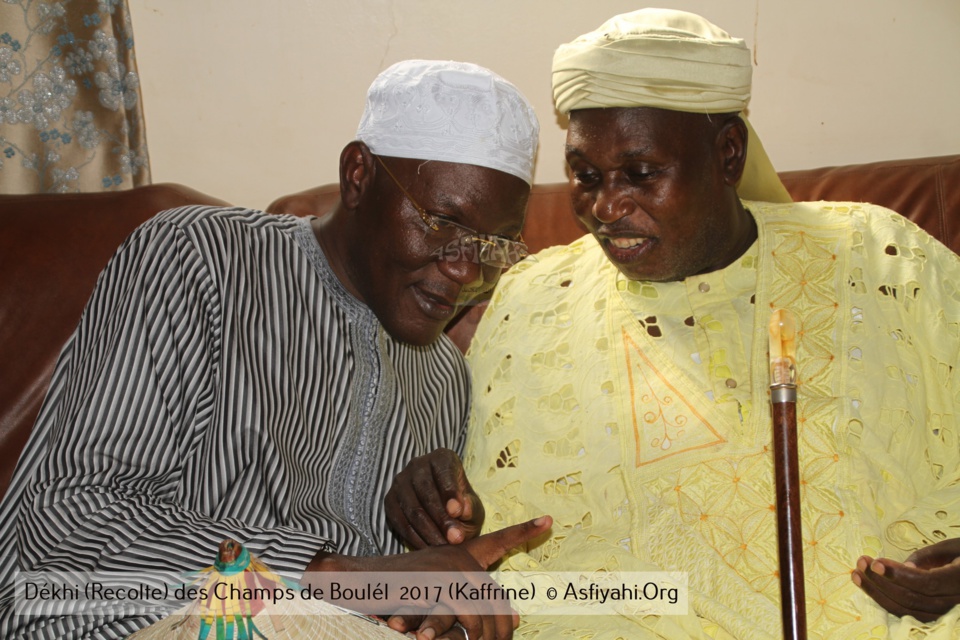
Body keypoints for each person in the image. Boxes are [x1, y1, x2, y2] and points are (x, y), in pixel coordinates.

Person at [386, 10, 960, 639]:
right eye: (585, 176)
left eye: (641, 174)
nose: (604, 207)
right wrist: (447, 504)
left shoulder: (877, 253)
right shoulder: (535, 297)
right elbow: (503, 524)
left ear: (728, 156)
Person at [0, 59, 551, 640]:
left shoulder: (444, 376)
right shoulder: (199, 258)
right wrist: (325, 574)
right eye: (441, 222)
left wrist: (433, 551)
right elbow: (66, 516)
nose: (466, 270)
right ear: (358, 175)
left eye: (492, 246)